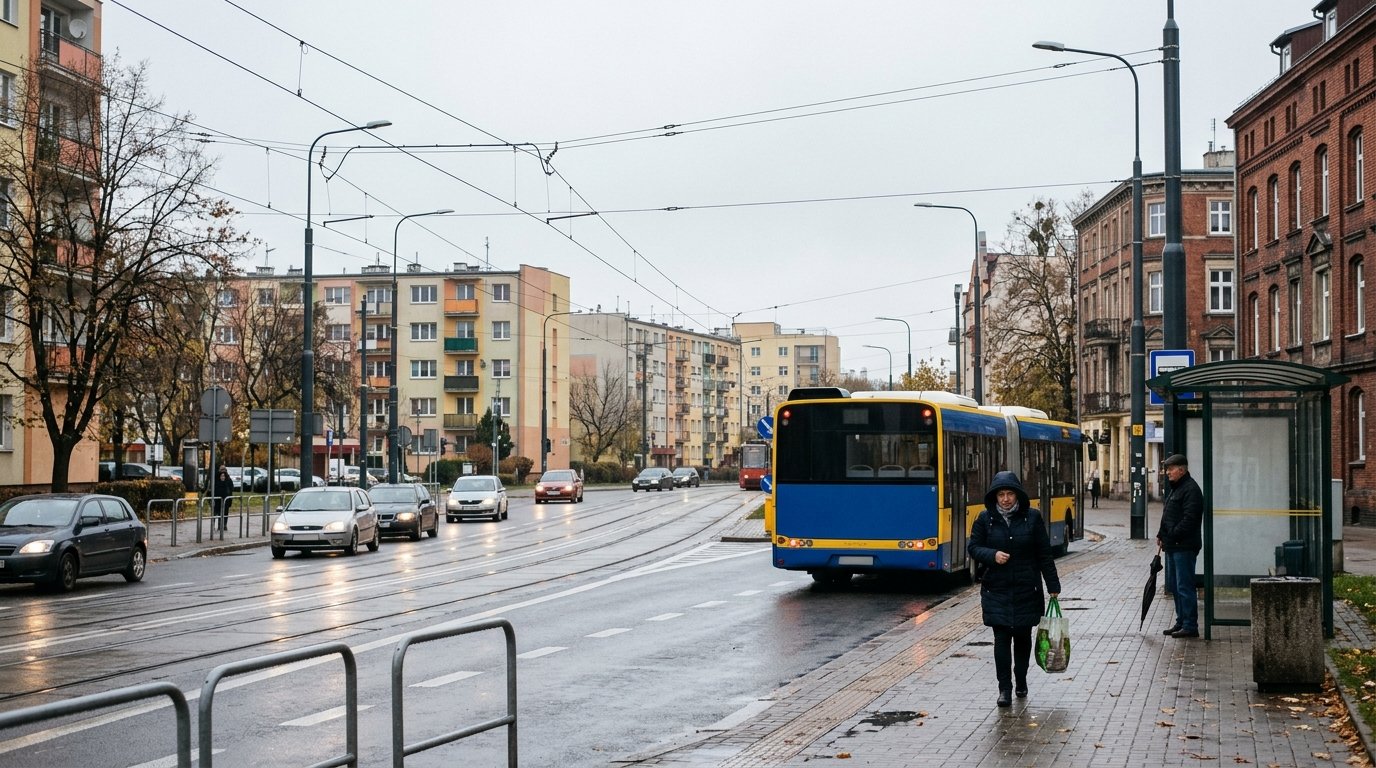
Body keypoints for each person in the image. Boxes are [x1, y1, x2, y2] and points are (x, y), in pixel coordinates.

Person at [968, 470, 1062, 708]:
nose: (1006, 499)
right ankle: (1004, 689)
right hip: (996, 589)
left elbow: (1044, 554)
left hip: (1026, 588)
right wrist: (992, 555)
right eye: (1001, 494)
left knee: (1022, 638)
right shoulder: (984, 519)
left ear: (1017, 495)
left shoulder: (1032, 517)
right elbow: (973, 547)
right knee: (1001, 638)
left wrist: (1053, 585)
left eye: (1010, 493)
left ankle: (1021, 680)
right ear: (995, 496)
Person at [1156, 453, 1203, 638]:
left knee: (1184, 586)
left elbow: (1189, 520)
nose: (1167, 472)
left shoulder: (1190, 490)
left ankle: (1190, 625)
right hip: (1173, 546)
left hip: (1184, 546)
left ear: (1181, 470)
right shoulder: (1177, 488)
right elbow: (1168, 515)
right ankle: (1181, 621)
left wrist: (1172, 535)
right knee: (1175, 586)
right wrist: (1162, 534)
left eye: (1170, 469)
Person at [212, 467, 234, 533]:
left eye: (224, 471)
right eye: (221, 471)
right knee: (216, 512)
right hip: (217, 500)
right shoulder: (216, 479)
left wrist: (230, 500)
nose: (223, 474)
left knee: (225, 513)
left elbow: (231, 490)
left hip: (226, 500)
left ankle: (224, 525)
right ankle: (215, 525)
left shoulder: (228, 480)